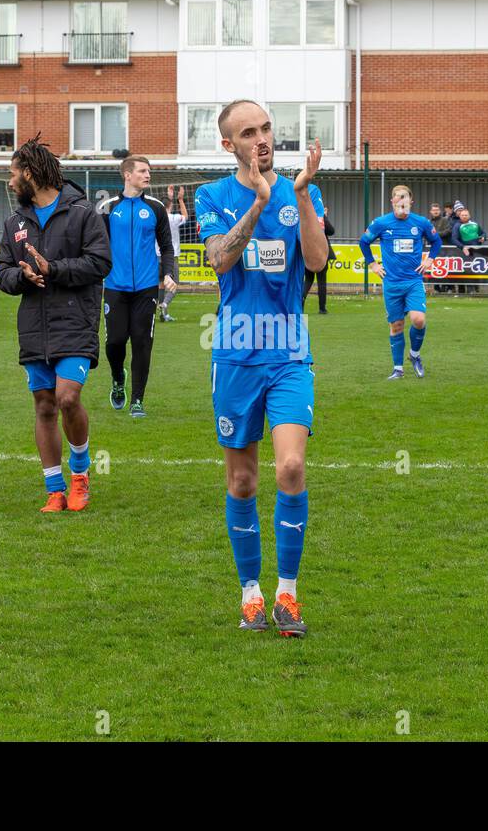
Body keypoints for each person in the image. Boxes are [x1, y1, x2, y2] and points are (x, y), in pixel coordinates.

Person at [194, 99, 327, 637]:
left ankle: (288, 595)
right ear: (230, 144)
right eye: (249, 132)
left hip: (289, 352)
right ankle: (250, 592)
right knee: (243, 481)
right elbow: (219, 258)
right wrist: (257, 206)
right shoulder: (212, 196)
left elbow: (316, 262)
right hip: (235, 355)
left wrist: (297, 195)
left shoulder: (303, 192)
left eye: (267, 128)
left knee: (291, 468)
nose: (262, 138)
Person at [0, 135, 111, 514]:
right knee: (44, 405)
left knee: (67, 398)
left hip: (76, 321)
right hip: (34, 327)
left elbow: (100, 263)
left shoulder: (83, 214)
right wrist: (22, 276)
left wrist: (53, 269)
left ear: (29, 173)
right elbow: (1, 270)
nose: (10, 182)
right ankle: (54, 490)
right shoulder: (14, 223)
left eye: (13, 174)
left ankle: (80, 476)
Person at [99, 155, 177, 417]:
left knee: (143, 343)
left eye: (149, 171)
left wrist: (167, 273)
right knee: (115, 343)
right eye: (143, 171)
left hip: (146, 288)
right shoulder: (107, 208)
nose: (148, 175)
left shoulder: (155, 208)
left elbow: (166, 247)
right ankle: (118, 379)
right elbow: (97, 247)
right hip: (115, 286)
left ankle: (137, 400)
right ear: (127, 175)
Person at [360, 185, 441, 380]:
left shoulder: (420, 222)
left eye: (404, 198)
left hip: (413, 281)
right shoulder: (381, 223)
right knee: (396, 325)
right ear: (392, 202)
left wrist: (430, 259)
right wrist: (373, 265)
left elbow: (436, 241)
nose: (401, 202)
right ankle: (398, 369)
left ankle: (414, 355)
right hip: (392, 283)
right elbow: (364, 242)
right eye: (398, 198)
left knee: (418, 320)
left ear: (410, 202)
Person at [159, 185, 187, 321]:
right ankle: (164, 304)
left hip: (155, 256)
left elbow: (166, 206)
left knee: (160, 283)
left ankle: (163, 313)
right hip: (170, 256)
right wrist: (180, 199)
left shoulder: (156, 218)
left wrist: (168, 196)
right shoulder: (174, 218)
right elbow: (185, 217)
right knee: (174, 283)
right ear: (170, 205)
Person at [303, 204, 336, 314]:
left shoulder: (304, 216)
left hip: (307, 251)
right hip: (321, 252)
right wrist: (325, 217)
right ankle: (322, 308)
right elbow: (331, 231)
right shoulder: (320, 216)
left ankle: (300, 302)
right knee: (322, 282)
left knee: (308, 280)